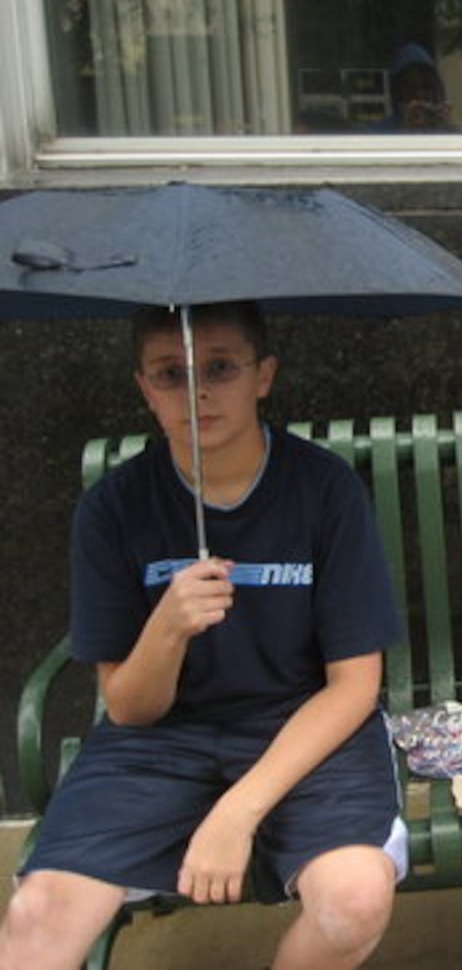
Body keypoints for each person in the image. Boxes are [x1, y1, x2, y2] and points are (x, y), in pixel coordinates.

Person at [0, 302, 407, 970]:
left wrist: (236, 812)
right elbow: (129, 708)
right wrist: (167, 627)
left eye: (220, 367)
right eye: (170, 374)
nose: (197, 392)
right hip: (161, 741)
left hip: (301, 726)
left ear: (263, 375)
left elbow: (354, 686)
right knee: (37, 916)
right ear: (143, 389)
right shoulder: (113, 508)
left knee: (353, 900)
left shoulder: (323, 489)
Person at [377, 42, 454, 132]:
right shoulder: (376, 136)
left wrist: (445, 131)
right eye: (410, 87)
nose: (419, 95)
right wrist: (404, 130)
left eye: (426, 87)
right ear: (397, 91)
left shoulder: (450, 134)